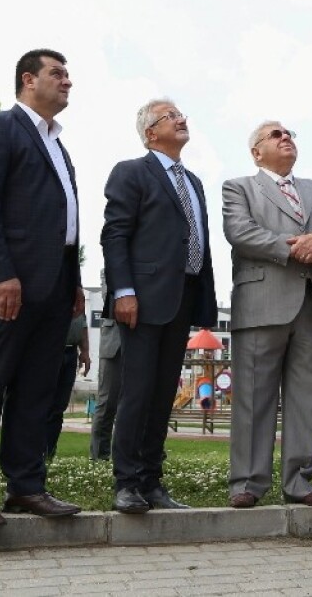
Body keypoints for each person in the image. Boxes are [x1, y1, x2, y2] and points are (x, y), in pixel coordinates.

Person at [0, 49, 85, 528]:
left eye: (68, 74)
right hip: (11, 284)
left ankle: (26, 487)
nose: (67, 81)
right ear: (28, 80)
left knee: (36, 391)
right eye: (57, 73)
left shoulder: (59, 144)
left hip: (54, 288)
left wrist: (73, 283)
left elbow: (62, 220)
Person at [221, 121, 312, 508]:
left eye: (290, 133)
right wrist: (298, 248)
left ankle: (299, 481)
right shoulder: (239, 187)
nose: (286, 138)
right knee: (253, 398)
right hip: (262, 304)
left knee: (308, 400)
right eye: (276, 135)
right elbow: (240, 232)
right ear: (257, 152)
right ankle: (247, 482)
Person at [102, 98, 219, 513]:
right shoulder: (132, 172)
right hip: (143, 299)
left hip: (183, 298)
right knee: (137, 391)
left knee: (162, 393)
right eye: (172, 116)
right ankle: (127, 483)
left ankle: (152, 481)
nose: (183, 118)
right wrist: (123, 291)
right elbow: (115, 235)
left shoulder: (194, 181)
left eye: (182, 113)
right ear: (152, 132)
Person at [44, 313, 90, 461]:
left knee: (59, 406)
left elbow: (83, 325)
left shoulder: (78, 297)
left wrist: (85, 351)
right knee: (45, 405)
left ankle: (49, 451)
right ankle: (37, 450)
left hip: (71, 353)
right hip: (50, 351)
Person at [90, 269, 121, 461]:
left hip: (141, 342)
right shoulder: (109, 270)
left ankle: (134, 456)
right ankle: (99, 456)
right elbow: (110, 297)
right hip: (114, 345)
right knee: (107, 402)